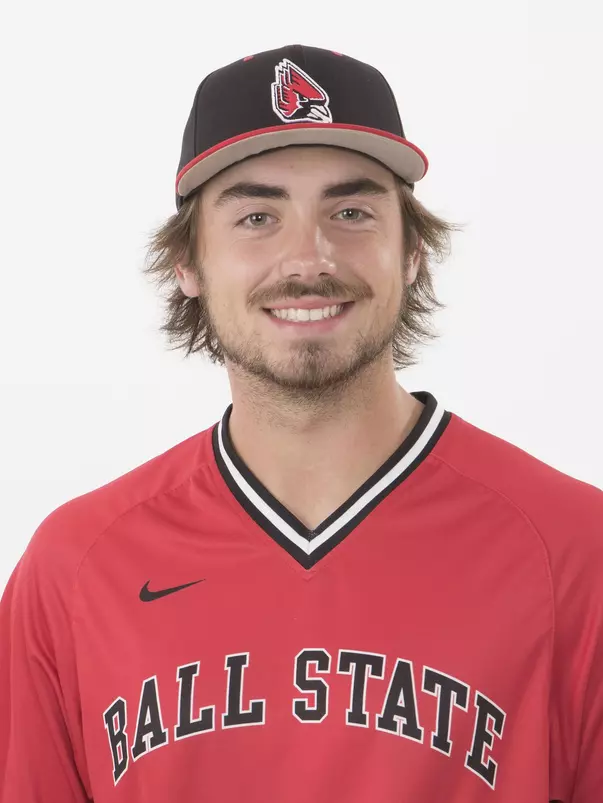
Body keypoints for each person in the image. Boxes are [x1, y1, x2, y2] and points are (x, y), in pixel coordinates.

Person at [0, 43, 601, 803]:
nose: (307, 256)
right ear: (188, 264)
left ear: (411, 251)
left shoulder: (575, 552)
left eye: (350, 212)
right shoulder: (75, 567)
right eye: (256, 216)